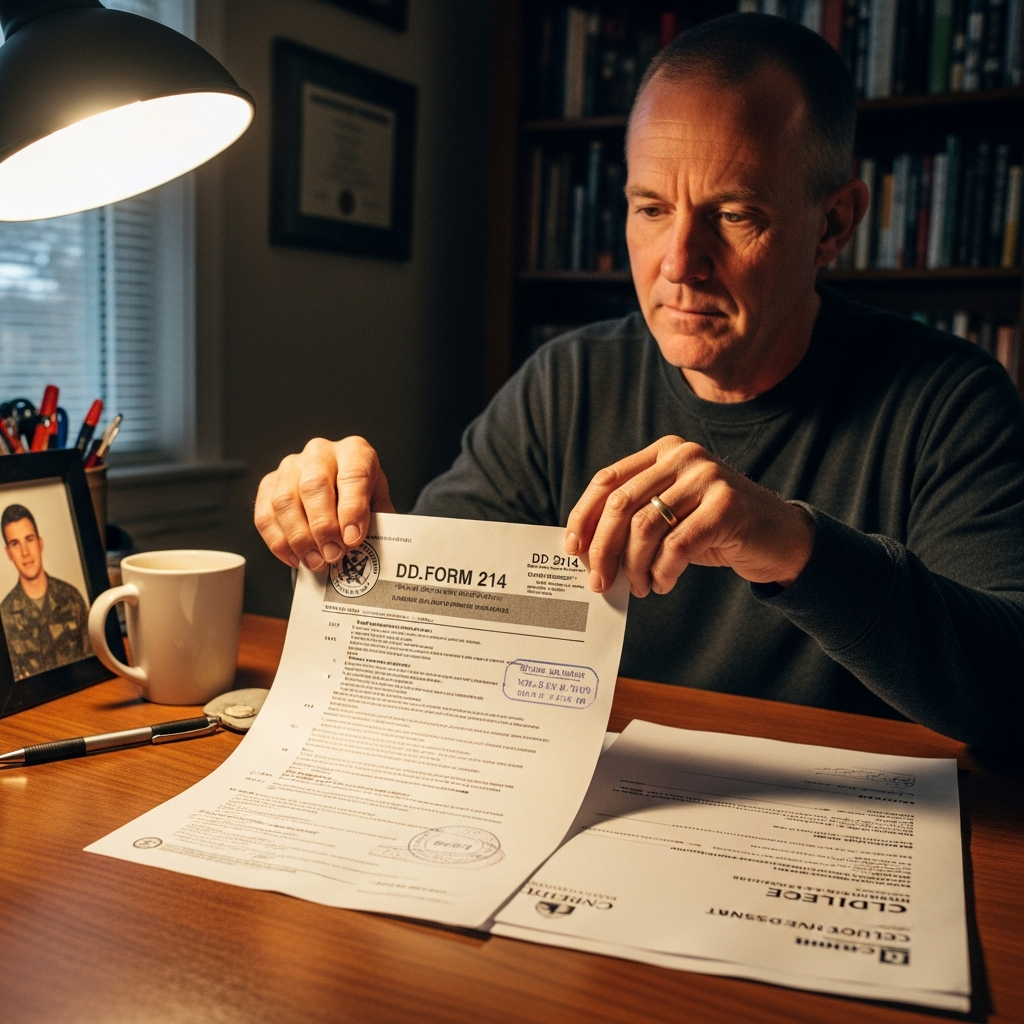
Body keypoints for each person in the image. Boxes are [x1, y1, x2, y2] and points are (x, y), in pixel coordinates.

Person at [254, 15, 1024, 753]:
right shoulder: (567, 382)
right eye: (651, 208)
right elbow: (440, 637)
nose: (678, 261)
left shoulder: (951, 403)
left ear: (833, 226)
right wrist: (359, 540)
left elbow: (1012, 691)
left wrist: (793, 544)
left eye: (733, 214)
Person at [1, 503, 92, 681]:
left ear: (40, 543)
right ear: (8, 553)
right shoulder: (3, 616)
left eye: (29, 539)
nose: (25, 552)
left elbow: (93, 668)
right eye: (15, 544)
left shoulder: (72, 599)